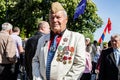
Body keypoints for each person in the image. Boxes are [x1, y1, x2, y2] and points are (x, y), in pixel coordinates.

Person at [32, 2, 86, 80]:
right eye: (52, 17)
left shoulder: (77, 38)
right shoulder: (42, 39)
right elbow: (35, 60)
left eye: (58, 17)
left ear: (66, 19)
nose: (54, 20)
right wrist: (38, 78)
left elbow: (79, 64)